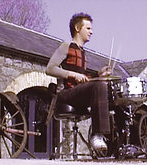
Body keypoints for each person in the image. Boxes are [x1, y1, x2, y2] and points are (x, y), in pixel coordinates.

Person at [46, 12, 111, 151]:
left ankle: (117, 143)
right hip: (66, 94)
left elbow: (83, 77)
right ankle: (97, 135)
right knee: (99, 86)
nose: (91, 32)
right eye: (88, 28)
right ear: (77, 28)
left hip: (78, 93)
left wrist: (99, 74)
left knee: (111, 91)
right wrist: (72, 74)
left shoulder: (83, 52)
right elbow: (50, 69)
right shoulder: (66, 46)